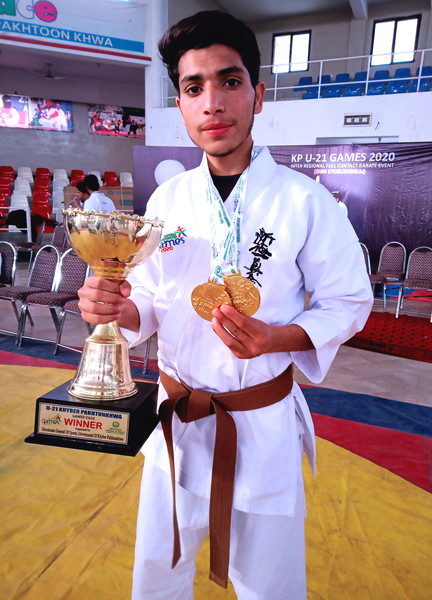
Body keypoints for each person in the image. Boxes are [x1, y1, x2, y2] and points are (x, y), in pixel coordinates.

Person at [76, 10, 373, 600]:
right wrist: (115, 308)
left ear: (257, 95)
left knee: (269, 585)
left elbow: (347, 302)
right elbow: (152, 301)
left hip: (258, 423)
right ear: (180, 105)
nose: (212, 103)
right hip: (178, 415)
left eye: (229, 82)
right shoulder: (167, 201)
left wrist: (278, 337)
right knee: (158, 572)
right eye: (194, 88)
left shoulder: (305, 202)